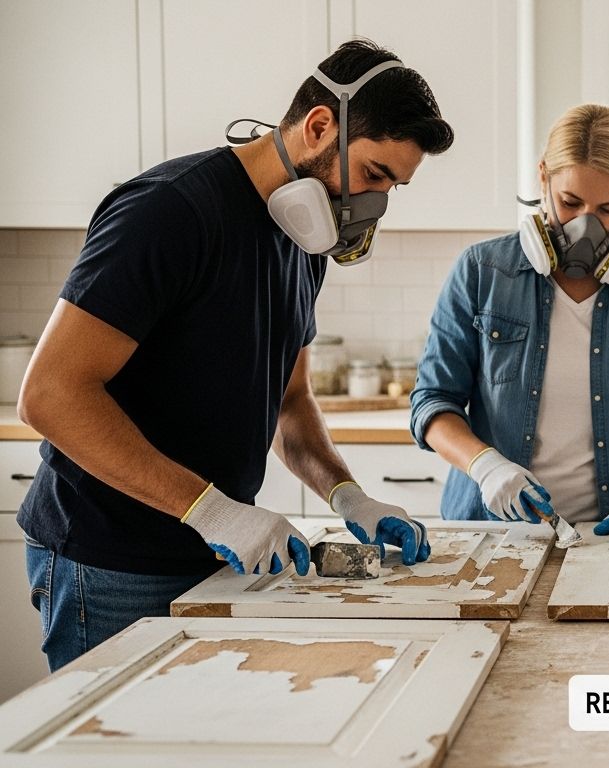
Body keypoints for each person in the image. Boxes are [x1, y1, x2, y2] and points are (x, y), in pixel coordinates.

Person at [16, 39, 450, 671]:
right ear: (320, 126)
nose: (375, 201)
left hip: (209, 554)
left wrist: (348, 496)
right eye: (375, 174)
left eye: (392, 186)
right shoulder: (170, 210)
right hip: (110, 562)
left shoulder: (304, 238)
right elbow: (50, 395)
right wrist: (216, 510)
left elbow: (291, 399)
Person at [411, 104, 609, 550]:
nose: (587, 224)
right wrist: (486, 466)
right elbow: (432, 402)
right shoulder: (481, 271)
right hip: (489, 531)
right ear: (543, 178)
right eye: (570, 202)